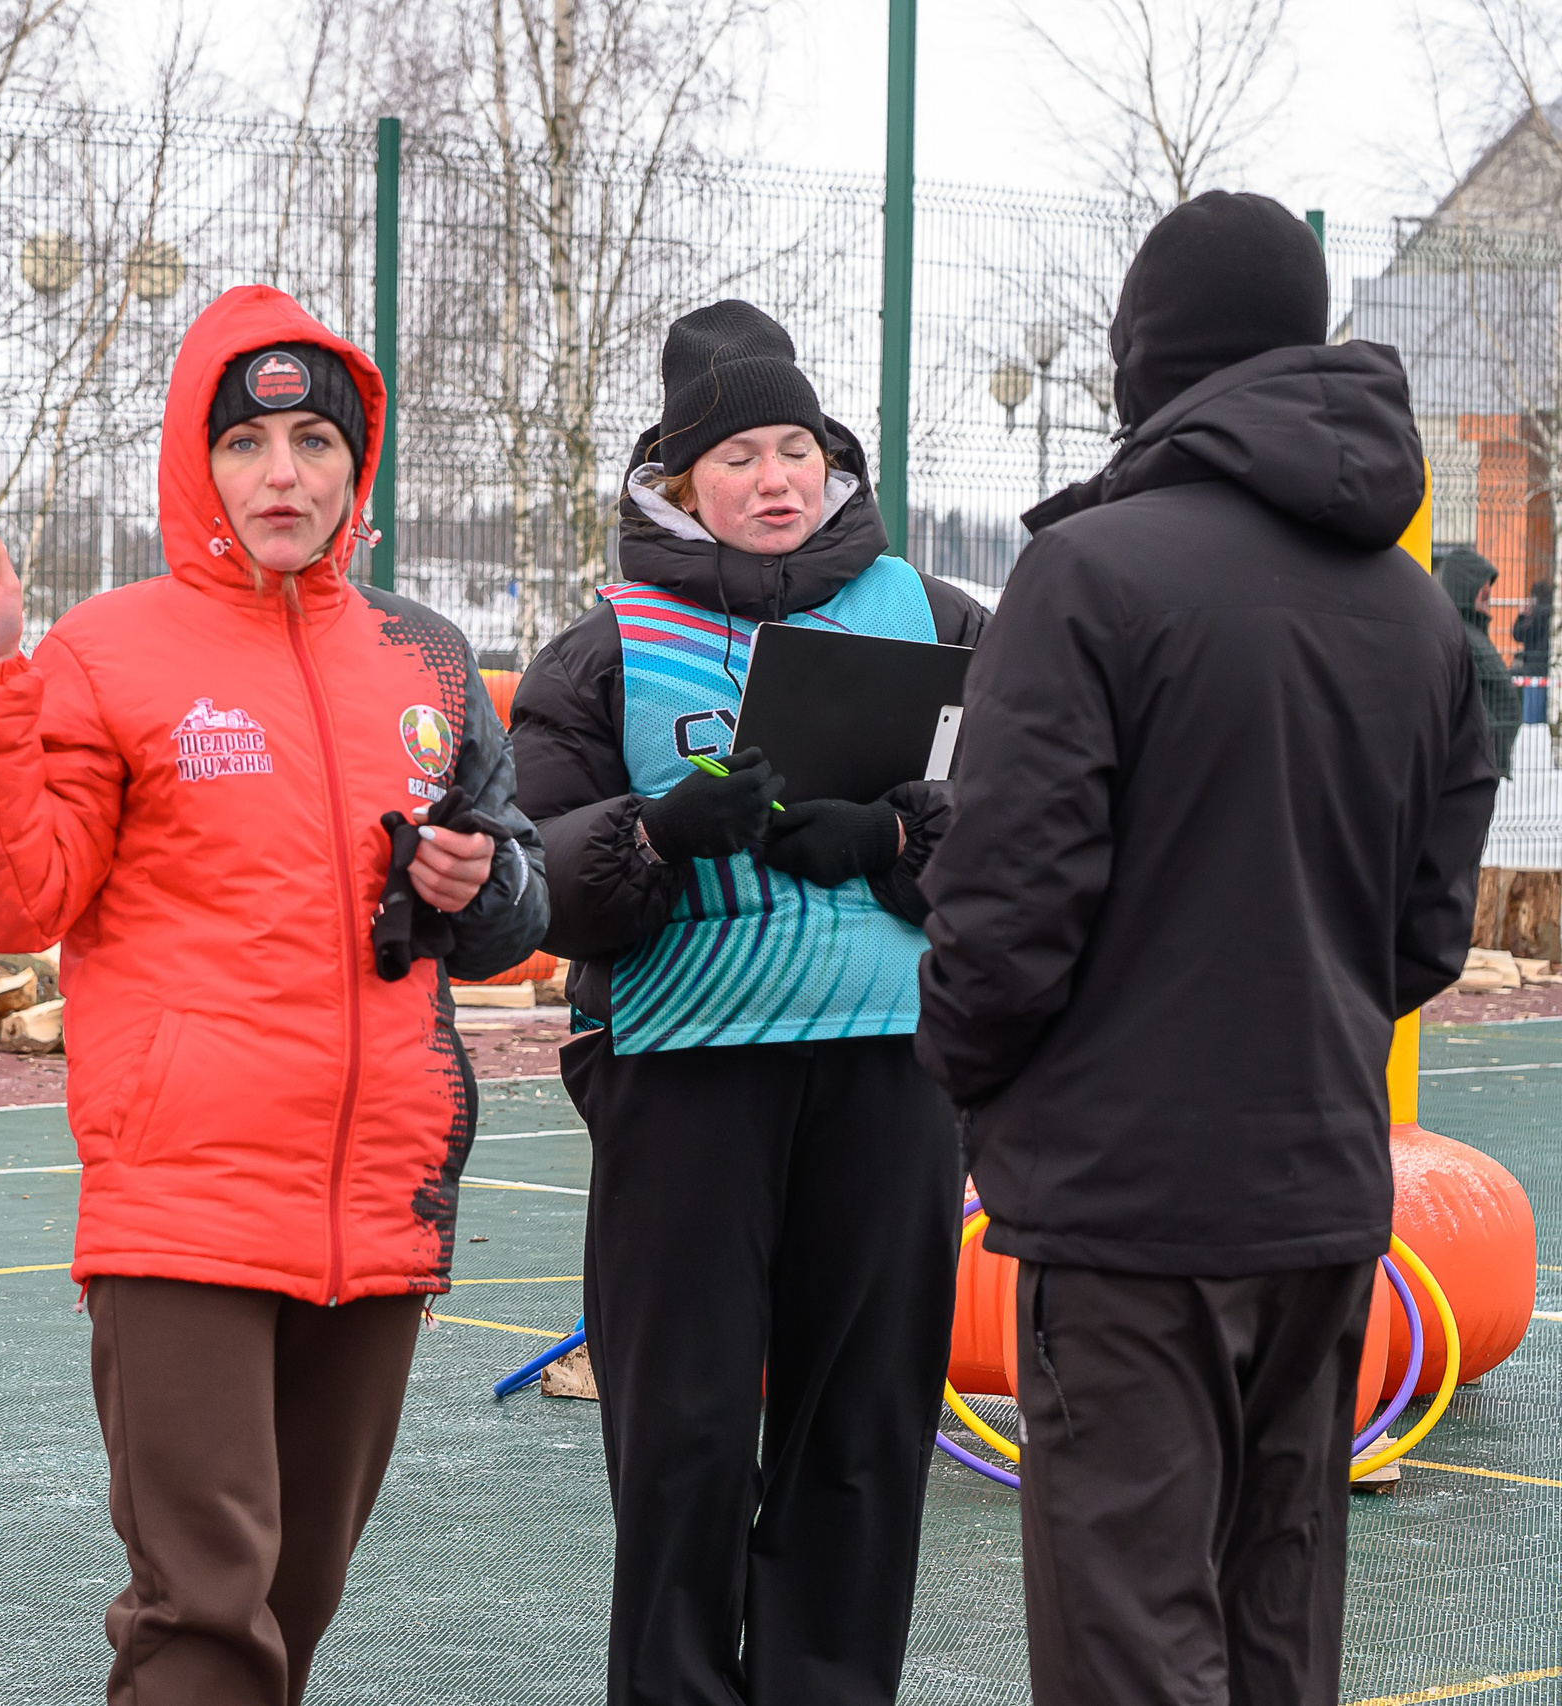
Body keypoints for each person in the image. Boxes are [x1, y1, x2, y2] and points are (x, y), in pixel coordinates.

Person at [0, 284, 550, 1706]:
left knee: (294, 1603)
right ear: (198, 462)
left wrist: (478, 883)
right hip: (182, 1200)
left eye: (312, 440)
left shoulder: (427, 656)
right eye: (245, 442)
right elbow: (14, 902)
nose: (280, 473)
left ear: (356, 466)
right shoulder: (109, 649)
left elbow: (514, 914)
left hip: (379, 1203)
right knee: (206, 1611)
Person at [915, 191, 1499, 1706]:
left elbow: (1005, 912)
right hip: (1322, 1187)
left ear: (1146, 353)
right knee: (1274, 1614)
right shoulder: (1417, 614)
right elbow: (1428, 930)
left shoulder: (1088, 573)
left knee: (1128, 1627)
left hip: (1125, 1201)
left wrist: (976, 1079)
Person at [506, 300, 986, 1706]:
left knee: (862, 1425)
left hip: (889, 1071)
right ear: (678, 480)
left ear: (830, 462)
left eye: (795, 449)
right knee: (687, 1429)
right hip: (683, 1075)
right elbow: (537, 883)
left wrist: (895, 839)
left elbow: (1030, 825)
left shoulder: (941, 621)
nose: (774, 479)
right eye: (737, 457)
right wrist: (658, 834)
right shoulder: (601, 649)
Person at [1435, 544, 1522, 776]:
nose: (1488, 600)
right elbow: (1469, 698)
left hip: (1485, 757)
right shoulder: (1462, 637)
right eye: (1483, 593)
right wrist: (1488, 733)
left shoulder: (1473, 633)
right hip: (1476, 760)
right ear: (1467, 589)